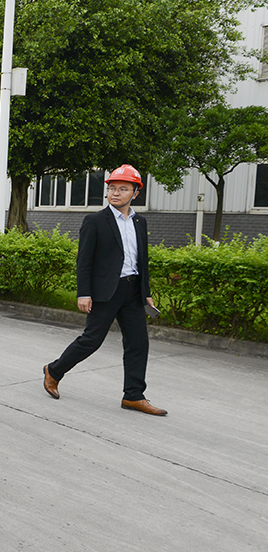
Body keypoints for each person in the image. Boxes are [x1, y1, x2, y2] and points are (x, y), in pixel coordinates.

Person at [42, 164, 166, 415]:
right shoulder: (95, 221)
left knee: (138, 343)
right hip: (106, 291)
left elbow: (142, 261)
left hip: (133, 291)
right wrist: (84, 293)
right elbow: (84, 260)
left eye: (123, 189)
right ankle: (53, 371)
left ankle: (133, 396)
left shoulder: (140, 222)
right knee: (92, 340)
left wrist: (146, 293)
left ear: (135, 193)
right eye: (112, 188)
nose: (116, 193)